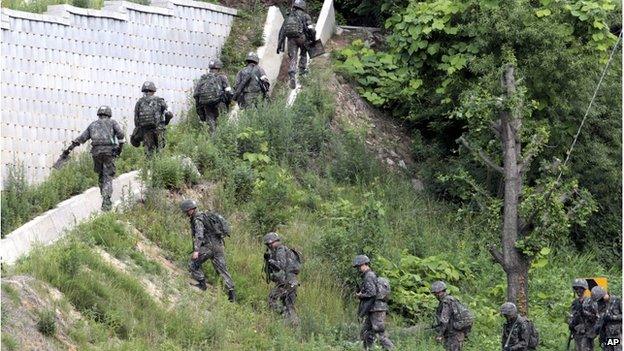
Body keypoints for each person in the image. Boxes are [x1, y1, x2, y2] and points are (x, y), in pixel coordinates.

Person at [64, 105, 124, 211]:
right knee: (108, 176)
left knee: (101, 176)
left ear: (99, 114)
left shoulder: (92, 125)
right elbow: (121, 134)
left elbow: (82, 138)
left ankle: (104, 198)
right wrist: (119, 149)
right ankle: (106, 201)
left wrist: (69, 148)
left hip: (96, 154)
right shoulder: (112, 123)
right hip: (109, 153)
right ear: (109, 114)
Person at [180, 199, 236, 302]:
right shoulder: (205, 215)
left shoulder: (197, 218)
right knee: (222, 270)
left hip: (209, 247)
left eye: (186, 211)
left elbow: (199, 235)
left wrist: (196, 250)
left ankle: (202, 285)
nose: (186, 214)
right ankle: (232, 295)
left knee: (193, 263)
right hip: (219, 246)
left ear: (190, 210)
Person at [352, 254, 394, 350]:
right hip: (373, 308)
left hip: (376, 309)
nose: (358, 269)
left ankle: (392, 349)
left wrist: (360, 295)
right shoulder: (369, 275)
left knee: (380, 334)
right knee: (365, 333)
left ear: (364, 264)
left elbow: (372, 293)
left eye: (359, 266)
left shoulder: (369, 276)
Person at [263, 232, 300, 326]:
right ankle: (293, 326)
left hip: (286, 283)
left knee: (272, 299)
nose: (268, 246)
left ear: (273, 242)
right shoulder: (282, 250)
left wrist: (270, 260)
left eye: (268, 244)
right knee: (289, 306)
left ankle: (284, 318)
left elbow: (281, 265)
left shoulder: (280, 250)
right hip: (291, 282)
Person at [277, 0, 315, 89]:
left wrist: (279, 45)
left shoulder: (289, 16)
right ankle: (302, 71)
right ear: (303, 7)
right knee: (303, 53)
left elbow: (282, 30)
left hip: (291, 40)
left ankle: (292, 76)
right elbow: (311, 29)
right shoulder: (306, 16)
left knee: (293, 57)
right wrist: (313, 39)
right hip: (302, 38)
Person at [131, 81, 172, 155]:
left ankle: (150, 166)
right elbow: (169, 114)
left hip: (146, 131)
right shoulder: (160, 100)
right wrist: (165, 123)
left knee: (149, 153)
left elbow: (136, 120)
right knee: (160, 150)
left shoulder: (139, 102)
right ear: (153, 90)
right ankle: (160, 165)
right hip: (159, 129)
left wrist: (139, 130)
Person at [193, 58, 232, 135]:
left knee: (210, 123)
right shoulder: (222, 77)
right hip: (220, 103)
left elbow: (196, 94)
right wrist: (228, 103)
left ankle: (212, 139)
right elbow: (229, 92)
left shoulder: (203, 78)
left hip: (206, 104)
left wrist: (199, 109)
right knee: (222, 122)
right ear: (219, 68)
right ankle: (221, 140)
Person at [431, 280, 472, 351]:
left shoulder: (446, 301)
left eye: (436, 293)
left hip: (455, 332)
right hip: (460, 329)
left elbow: (444, 320)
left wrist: (440, 335)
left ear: (440, 292)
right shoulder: (451, 299)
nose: (435, 296)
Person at [590, 286, 622, 351]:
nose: (601, 301)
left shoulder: (617, 301)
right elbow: (600, 319)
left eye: (601, 298)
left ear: (605, 293)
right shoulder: (600, 303)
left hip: (617, 335)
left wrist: (612, 317)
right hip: (606, 336)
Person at [568, 279, 595, 351]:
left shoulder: (590, 301)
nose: (578, 291)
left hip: (587, 332)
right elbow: (572, 315)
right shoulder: (575, 302)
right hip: (577, 332)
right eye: (576, 289)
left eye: (580, 288)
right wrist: (571, 323)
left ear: (584, 289)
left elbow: (595, 317)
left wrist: (584, 312)